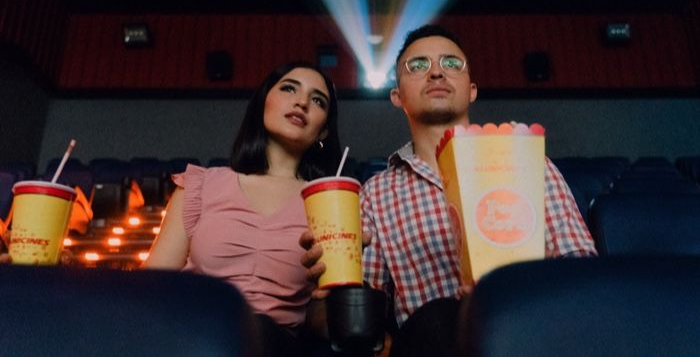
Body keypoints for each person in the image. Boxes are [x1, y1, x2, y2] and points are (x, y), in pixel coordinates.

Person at [300, 24, 597, 357]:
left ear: (471, 90)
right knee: (440, 317)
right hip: (435, 339)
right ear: (397, 96)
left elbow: (582, 269)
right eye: (418, 66)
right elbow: (363, 310)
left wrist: (514, 291)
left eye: (451, 64)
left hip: (532, 329)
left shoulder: (528, 163)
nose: (437, 73)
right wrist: (332, 294)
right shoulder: (376, 194)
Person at [144, 61, 342, 357]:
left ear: (323, 130)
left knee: (259, 330)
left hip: (279, 345)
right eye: (289, 88)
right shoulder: (201, 185)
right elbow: (152, 287)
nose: (302, 102)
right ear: (264, 102)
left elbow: (326, 323)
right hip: (193, 337)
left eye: (317, 100)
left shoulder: (330, 202)